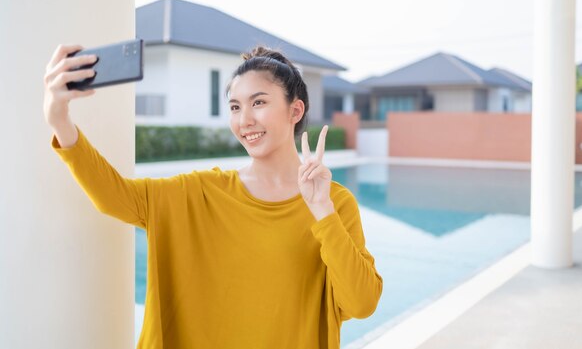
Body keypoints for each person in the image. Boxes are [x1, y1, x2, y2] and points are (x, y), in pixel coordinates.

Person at [43, 43, 383, 349]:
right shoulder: (201, 191)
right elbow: (115, 197)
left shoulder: (334, 203)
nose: (245, 120)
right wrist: (60, 121)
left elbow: (361, 303)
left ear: (295, 111)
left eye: (259, 103)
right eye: (235, 107)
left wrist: (322, 211)